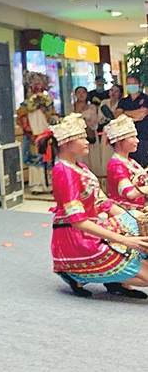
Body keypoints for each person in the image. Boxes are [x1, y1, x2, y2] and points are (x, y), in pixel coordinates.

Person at [44, 114, 148, 299]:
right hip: (76, 238)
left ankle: (116, 277)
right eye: (82, 137)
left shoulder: (81, 168)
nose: (87, 141)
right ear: (67, 143)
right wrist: (124, 240)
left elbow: (104, 203)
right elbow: (78, 221)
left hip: (93, 228)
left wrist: (134, 218)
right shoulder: (64, 172)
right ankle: (76, 272)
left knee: (137, 229)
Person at [16, 72, 58, 194]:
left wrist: (49, 115)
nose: (38, 88)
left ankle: (49, 185)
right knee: (35, 161)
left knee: (48, 160)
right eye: (35, 85)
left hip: (46, 135)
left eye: (40, 85)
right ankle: (36, 185)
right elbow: (21, 119)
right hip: (33, 135)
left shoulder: (48, 103)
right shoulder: (25, 104)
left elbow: (54, 117)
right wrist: (29, 128)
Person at [105, 115, 148, 208]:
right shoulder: (116, 164)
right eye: (132, 137)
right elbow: (130, 193)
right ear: (119, 142)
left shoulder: (131, 162)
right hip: (125, 214)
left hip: (138, 210)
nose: (137, 140)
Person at [116, 75, 148, 167]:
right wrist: (134, 114)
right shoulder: (123, 101)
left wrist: (125, 113)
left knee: (143, 162)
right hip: (128, 137)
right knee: (130, 163)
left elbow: (142, 114)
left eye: (133, 83)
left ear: (140, 84)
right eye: (129, 84)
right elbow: (117, 115)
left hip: (143, 136)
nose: (131, 86)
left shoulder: (145, 99)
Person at [72, 86, 101, 177]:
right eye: (79, 92)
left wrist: (85, 124)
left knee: (91, 156)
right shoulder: (72, 107)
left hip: (89, 133)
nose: (81, 95)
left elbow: (95, 121)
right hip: (77, 134)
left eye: (83, 92)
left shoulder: (92, 107)